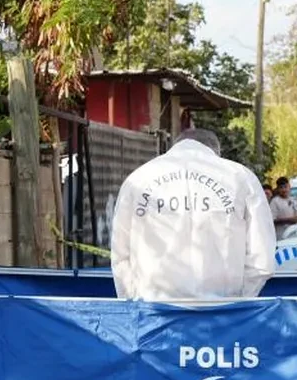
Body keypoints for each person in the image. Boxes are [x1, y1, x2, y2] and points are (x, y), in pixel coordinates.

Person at [111, 128, 275, 301]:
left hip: (153, 306)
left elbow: (120, 252)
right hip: (223, 308)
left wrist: (134, 298)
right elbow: (262, 256)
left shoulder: (138, 179)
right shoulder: (241, 177)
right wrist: (239, 299)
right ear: (216, 151)